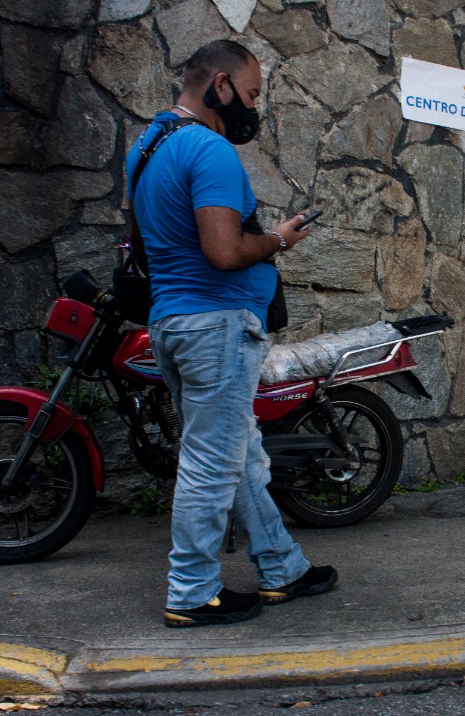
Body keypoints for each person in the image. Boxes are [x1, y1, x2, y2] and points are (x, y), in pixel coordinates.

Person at [126, 40, 336, 628]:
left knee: (239, 455)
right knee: (211, 462)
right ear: (219, 85)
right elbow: (223, 252)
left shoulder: (147, 147)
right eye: (250, 94)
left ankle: (281, 566)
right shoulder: (209, 150)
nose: (252, 107)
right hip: (215, 325)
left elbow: (155, 242)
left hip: (172, 320)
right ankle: (191, 592)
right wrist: (279, 240)